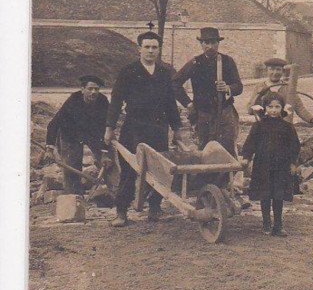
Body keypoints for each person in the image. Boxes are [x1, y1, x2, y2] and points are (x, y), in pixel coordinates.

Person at [104, 31, 183, 227]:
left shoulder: (164, 73)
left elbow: (170, 103)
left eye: (154, 47)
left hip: (158, 128)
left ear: (159, 50)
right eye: (147, 47)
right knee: (130, 169)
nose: (150, 51)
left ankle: (155, 208)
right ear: (139, 49)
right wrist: (109, 127)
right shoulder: (128, 72)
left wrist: (177, 128)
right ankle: (121, 212)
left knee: (160, 169)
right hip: (134, 128)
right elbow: (116, 101)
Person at [249, 57, 313, 202]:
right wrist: (259, 96)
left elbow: (300, 108)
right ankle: (264, 194)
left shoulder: (289, 88)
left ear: (283, 71)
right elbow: (250, 110)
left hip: (284, 133)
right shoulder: (260, 87)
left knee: (286, 161)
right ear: (267, 70)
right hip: (265, 132)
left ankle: (285, 194)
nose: (275, 73)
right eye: (271, 69)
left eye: (278, 70)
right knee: (264, 163)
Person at [173, 27, 243, 157]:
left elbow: (239, 86)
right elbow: (175, 83)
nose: (210, 46)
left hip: (225, 113)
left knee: (227, 150)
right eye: (206, 42)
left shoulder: (227, 61)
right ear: (201, 44)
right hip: (203, 115)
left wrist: (228, 88)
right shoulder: (195, 63)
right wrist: (188, 104)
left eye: (213, 42)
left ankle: (228, 170)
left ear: (218, 43)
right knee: (204, 151)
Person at [241, 92, 300, 236]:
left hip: (281, 167)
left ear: (282, 108)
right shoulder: (258, 126)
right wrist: (246, 157)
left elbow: (294, 146)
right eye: (270, 107)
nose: (273, 110)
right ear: (265, 108)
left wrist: (293, 163)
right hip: (263, 166)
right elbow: (250, 143)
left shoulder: (287, 127)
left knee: (278, 196)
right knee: (265, 195)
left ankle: (278, 225)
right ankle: (266, 223)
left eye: (277, 107)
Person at [45, 74, 110, 194]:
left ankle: (112, 190)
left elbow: (106, 127)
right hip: (71, 134)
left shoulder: (103, 101)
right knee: (71, 167)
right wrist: (49, 148)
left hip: (92, 134)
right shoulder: (73, 101)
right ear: (82, 89)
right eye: (90, 89)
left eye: (96, 89)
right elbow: (54, 123)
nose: (93, 92)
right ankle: (74, 195)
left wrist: (105, 152)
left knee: (108, 162)